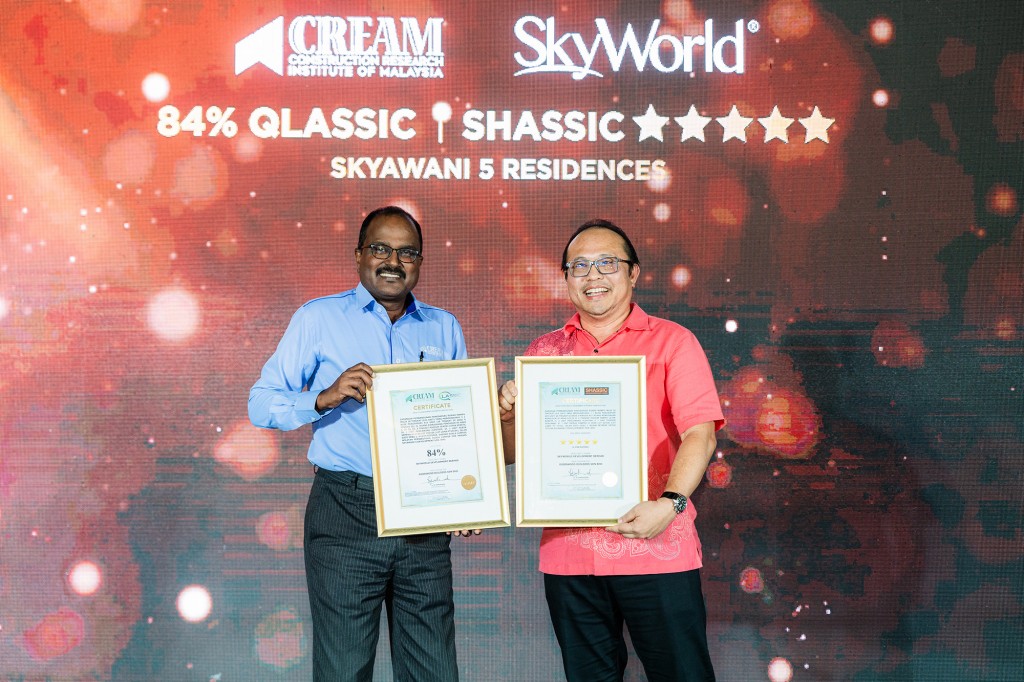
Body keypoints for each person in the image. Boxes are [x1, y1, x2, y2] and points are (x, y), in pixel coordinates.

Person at [498, 219, 724, 682]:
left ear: (633, 272)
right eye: (579, 266)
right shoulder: (543, 353)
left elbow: (701, 435)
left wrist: (671, 503)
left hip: (656, 543)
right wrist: (505, 417)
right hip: (570, 556)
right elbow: (512, 454)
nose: (593, 276)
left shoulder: (674, 342)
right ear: (566, 278)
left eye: (607, 263)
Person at [249, 206, 469, 682]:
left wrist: (465, 501)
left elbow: (459, 427)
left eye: (407, 252)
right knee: (343, 670)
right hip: (345, 509)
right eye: (380, 249)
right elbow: (261, 404)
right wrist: (322, 398)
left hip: (424, 516)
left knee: (434, 670)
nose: (393, 261)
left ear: (420, 262)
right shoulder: (318, 318)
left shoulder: (443, 327)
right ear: (358, 255)